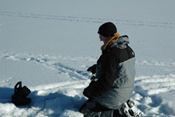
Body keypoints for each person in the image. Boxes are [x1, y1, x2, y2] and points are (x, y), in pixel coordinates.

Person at [79, 22, 136, 117]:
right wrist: (98, 68)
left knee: (86, 111)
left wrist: (90, 91)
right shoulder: (125, 48)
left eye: (101, 36)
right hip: (126, 92)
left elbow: (106, 83)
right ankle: (123, 106)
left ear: (108, 36)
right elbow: (117, 68)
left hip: (116, 94)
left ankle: (118, 113)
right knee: (92, 102)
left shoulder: (112, 53)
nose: (100, 39)